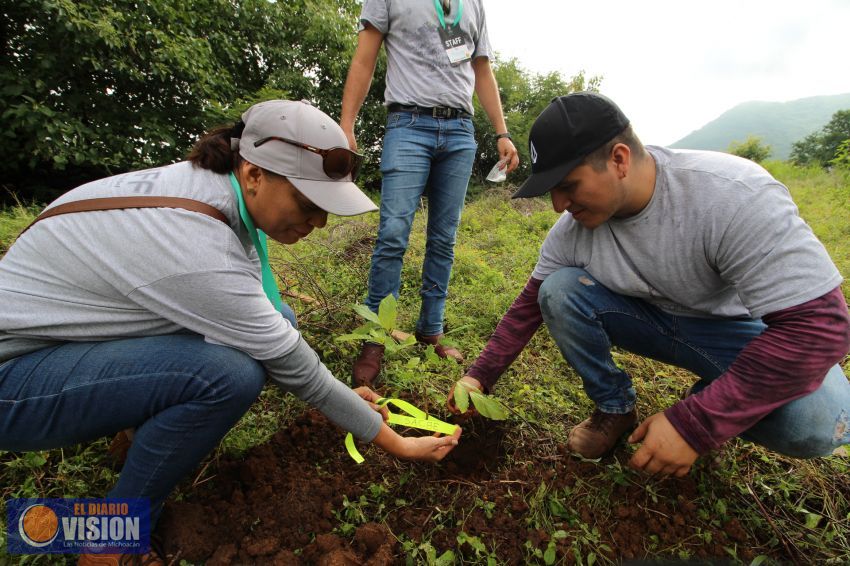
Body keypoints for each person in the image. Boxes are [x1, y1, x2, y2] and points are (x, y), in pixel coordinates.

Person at [0, 100, 460, 566]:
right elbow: (293, 367)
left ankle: (138, 435)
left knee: (280, 317)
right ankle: (108, 542)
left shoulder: (212, 187)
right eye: (307, 203)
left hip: (64, 340)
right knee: (228, 375)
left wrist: (339, 392)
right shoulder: (199, 242)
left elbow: (272, 321)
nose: (319, 223)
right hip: (13, 378)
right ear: (254, 174)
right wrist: (394, 441)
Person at [447, 92, 850, 477]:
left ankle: (718, 394)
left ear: (619, 159)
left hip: (735, 334)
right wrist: (476, 378)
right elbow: (528, 308)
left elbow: (822, 328)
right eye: (552, 192)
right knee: (558, 288)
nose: (558, 205)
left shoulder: (730, 195)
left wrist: (698, 422)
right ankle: (615, 408)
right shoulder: (571, 231)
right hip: (648, 323)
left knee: (819, 422)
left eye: (568, 186)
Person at [340, 0, 520, 387]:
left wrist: (502, 132)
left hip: (460, 131)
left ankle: (430, 329)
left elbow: (482, 68)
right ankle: (376, 336)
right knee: (392, 232)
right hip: (408, 124)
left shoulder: (473, 4)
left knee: (444, 237)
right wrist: (347, 124)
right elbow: (364, 58)